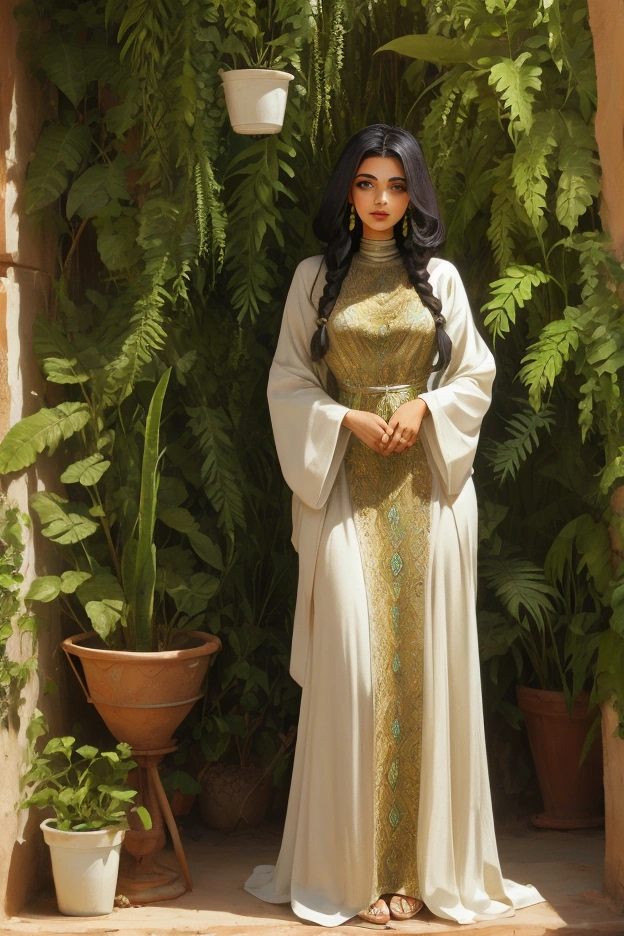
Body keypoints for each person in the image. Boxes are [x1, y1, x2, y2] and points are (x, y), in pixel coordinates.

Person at [244, 125, 543, 927]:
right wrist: (344, 418)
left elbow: (474, 372)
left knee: (426, 673)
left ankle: (414, 874)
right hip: (345, 489)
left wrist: (424, 405)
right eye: (369, 183)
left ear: (415, 196)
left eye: (397, 186)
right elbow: (287, 381)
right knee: (358, 671)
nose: (382, 200)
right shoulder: (314, 279)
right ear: (348, 190)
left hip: (431, 499)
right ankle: (353, 873)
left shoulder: (440, 279)